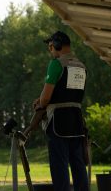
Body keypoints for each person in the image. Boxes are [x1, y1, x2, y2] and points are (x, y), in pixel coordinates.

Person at [33, 31, 89, 191]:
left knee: (59, 166)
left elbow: (45, 99)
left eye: (50, 46)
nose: (50, 50)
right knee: (78, 164)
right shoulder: (82, 66)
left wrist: (40, 102)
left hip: (58, 121)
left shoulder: (56, 64)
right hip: (77, 120)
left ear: (57, 45)